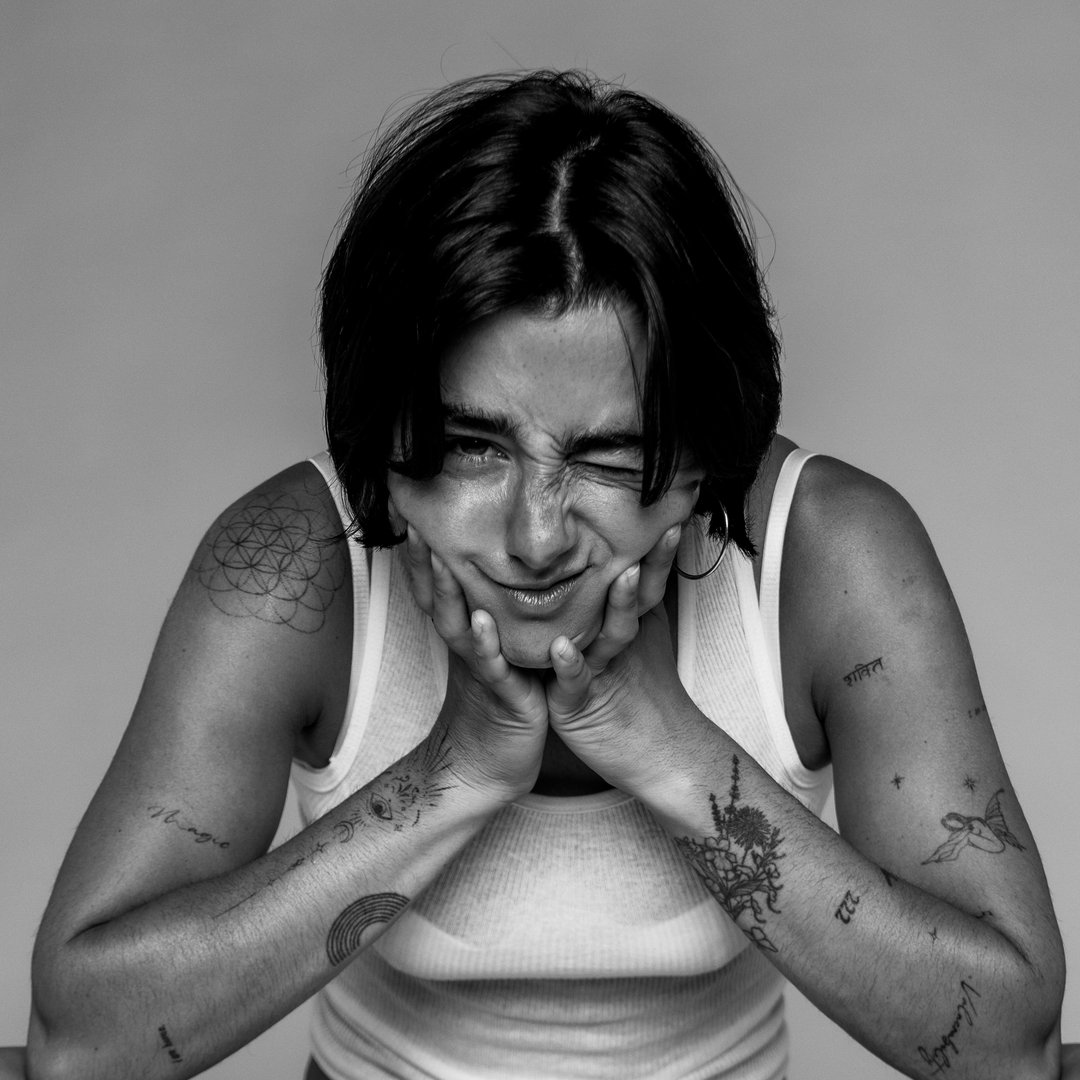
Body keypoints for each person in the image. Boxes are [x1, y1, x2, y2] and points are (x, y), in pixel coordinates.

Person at [24, 70, 1066, 1080]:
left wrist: (660, 740)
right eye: (471, 447)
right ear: (380, 430)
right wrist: (456, 774)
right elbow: (81, 1045)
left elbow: (1010, 1046)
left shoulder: (829, 555)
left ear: (709, 449)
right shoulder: (297, 566)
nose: (535, 538)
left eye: (609, 458)